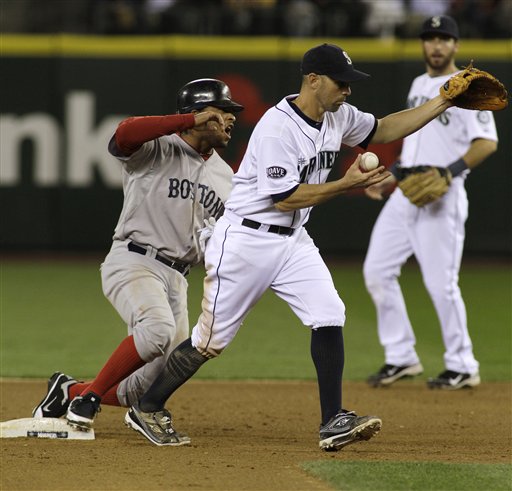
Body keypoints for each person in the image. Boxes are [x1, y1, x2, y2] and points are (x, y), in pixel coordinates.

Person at [115, 42, 469, 452]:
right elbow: (284, 198)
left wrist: (442, 102)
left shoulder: (338, 116)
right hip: (246, 240)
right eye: (341, 82)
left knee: (329, 312)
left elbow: (386, 128)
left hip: (293, 240)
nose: (348, 90)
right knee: (209, 341)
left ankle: (333, 420)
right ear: (313, 80)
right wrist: (347, 184)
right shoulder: (278, 127)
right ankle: (149, 404)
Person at [32, 79, 244, 444]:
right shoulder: (157, 148)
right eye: (223, 111)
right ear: (198, 114)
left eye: (230, 113)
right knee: (157, 330)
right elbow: (123, 134)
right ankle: (88, 399)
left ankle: (69, 391)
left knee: (146, 382)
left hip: (179, 278)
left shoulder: (227, 176)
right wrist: (185, 122)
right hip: (134, 261)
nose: (230, 119)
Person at [364, 16, 498, 390]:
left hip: (444, 194)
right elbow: (413, 147)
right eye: (430, 38)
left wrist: (451, 172)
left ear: (455, 45)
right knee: (377, 271)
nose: (436, 45)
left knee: (441, 284)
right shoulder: (419, 85)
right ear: (423, 45)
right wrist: (389, 178)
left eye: (444, 38)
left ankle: (462, 364)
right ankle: (401, 356)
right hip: (408, 191)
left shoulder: (466, 87)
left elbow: (487, 142)